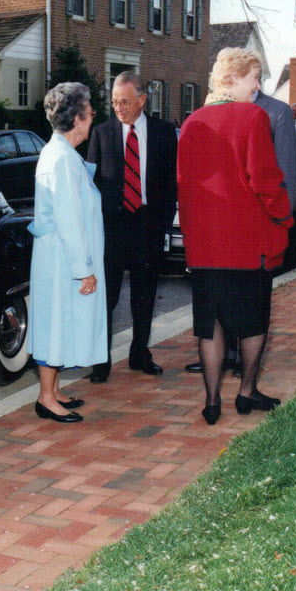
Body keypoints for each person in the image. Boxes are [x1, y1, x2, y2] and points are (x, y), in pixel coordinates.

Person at [177, 47, 294, 425]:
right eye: (254, 78)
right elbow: (264, 179)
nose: (258, 86)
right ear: (232, 78)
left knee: (211, 327)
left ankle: (212, 402)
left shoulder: (192, 122)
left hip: (205, 246)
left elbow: (184, 188)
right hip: (247, 244)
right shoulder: (252, 116)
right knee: (254, 322)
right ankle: (246, 393)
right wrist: (284, 217)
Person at [86, 72, 177, 383]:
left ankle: (140, 353)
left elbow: (170, 183)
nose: (118, 108)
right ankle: (101, 361)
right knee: (107, 298)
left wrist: (163, 221)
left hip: (148, 225)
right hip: (112, 228)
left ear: (142, 100)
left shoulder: (164, 133)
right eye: (113, 102)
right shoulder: (101, 133)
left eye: (125, 102)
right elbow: (91, 186)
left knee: (144, 295)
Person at [27, 83, 107, 423]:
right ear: (77, 118)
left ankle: (53, 390)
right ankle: (46, 397)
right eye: (89, 113)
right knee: (54, 324)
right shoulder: (60, 158)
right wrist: (84, 268)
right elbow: (70, 220)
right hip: (61, 259)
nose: (92, 119)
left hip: (60, 257)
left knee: (59, 322)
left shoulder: (63, 154)